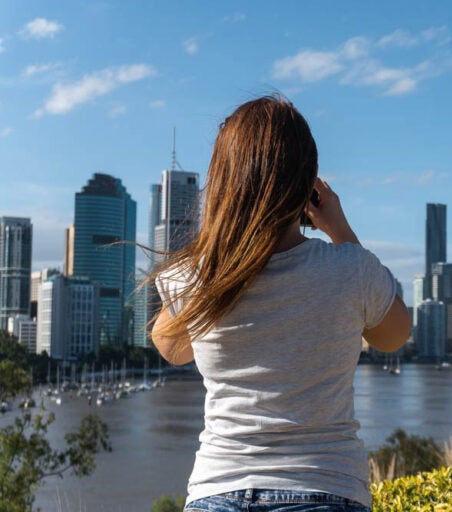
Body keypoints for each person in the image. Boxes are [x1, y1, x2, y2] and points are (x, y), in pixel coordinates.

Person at [151, 96, 411, 512]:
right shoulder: (350, 269)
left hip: (217, 491)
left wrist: (216, 249)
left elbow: (172, 347)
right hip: (326, 487)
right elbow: (395, 336)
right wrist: (340, 229)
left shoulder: (200, 276)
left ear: (221, 183)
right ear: (309, 184)